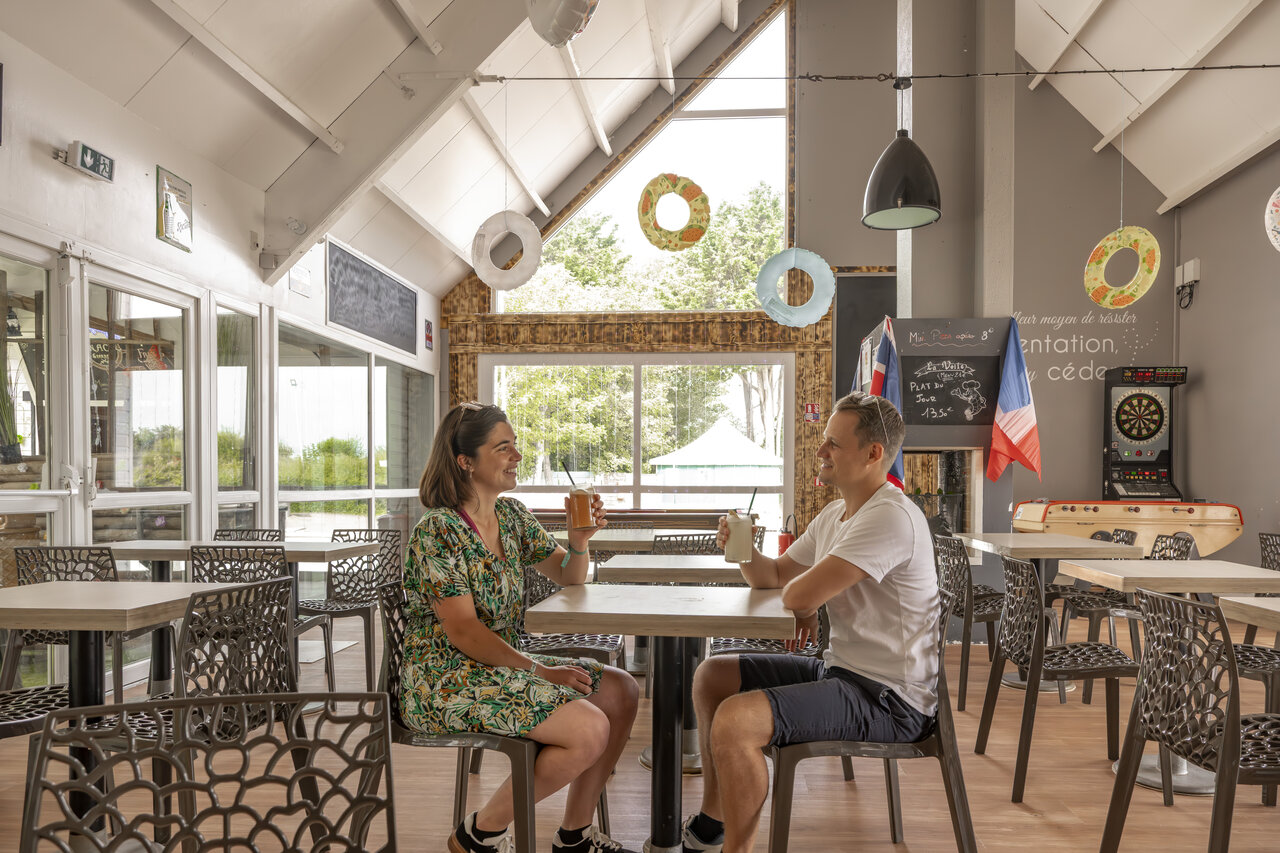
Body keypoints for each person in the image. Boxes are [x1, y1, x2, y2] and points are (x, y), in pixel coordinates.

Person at [681, 391, 941, 853]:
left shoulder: (890, 516)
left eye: (833, 444)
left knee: (735, 721)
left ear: (873, 453)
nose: (820, 451)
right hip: (844, 673)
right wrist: (741, 547)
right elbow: (775, 576)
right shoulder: (836, 514)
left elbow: (799, 594)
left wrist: (805, 607)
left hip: (890, 699)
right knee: (712, 676)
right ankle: (711, 825)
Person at [403, 401, 640, 853]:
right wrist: (539, 670)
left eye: (515, 445)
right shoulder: (438, 531)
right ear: (465, 461)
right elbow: (464, 632)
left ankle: (574, 836)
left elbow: (569, 575)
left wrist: (579, 540)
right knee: (589, 728)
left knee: (620, 691)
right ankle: (480, 833)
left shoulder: (511, 516)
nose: (517, 456)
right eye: (503, 448)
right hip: (446, 677)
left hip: (500, 665)